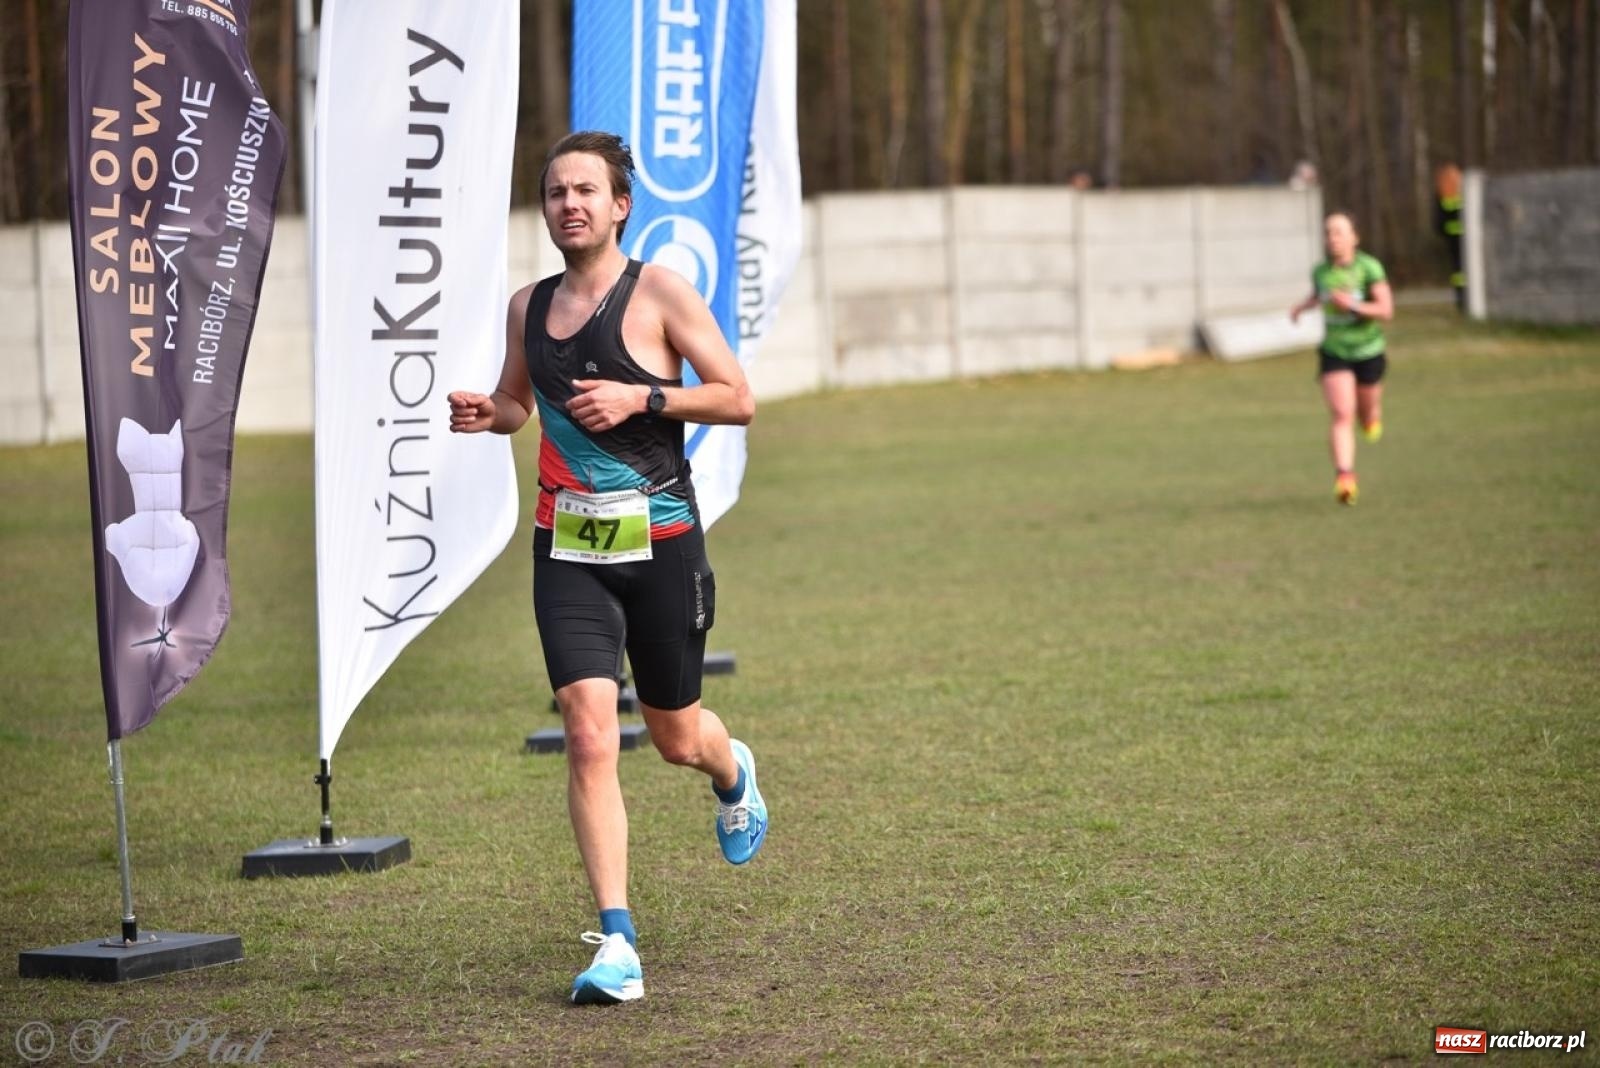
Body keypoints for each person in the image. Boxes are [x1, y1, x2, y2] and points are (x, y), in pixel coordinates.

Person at [447, 131, 769, 1005]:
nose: (570, 205)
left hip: (662, 547)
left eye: (587, 191)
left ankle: (730, 768)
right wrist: (493, 411)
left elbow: (737, 397)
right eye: (556, 193)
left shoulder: (661, 293)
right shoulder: (528, 306)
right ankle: (617, 942)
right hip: (569, 547)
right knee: (589, 734)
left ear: (620, 205)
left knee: (673, 737)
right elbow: (522, 400)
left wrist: (644, 396)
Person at [1289, 211, 1394, 505]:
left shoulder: (1369, 268)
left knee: (1366, 412)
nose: (1332, 238)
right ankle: (1345, 477)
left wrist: (1354, 305)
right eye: (1328, 232)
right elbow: (1318, 296)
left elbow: (1386, 310)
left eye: (1338, 232)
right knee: (1342, 413)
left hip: (1369, 351)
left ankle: (1371, 417)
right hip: (1335, 352)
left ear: (1354, 237)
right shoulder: (1321, 272)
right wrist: (1301, 307)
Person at [1434, 162, 1465, 311]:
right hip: (1456, 240)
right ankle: (1462, 300)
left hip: (1459, 239)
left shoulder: (1462, 194)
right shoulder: (1446, 195)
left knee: (1460, 272)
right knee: (1459, 273)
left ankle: (1463, 301)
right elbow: (1439, 221)